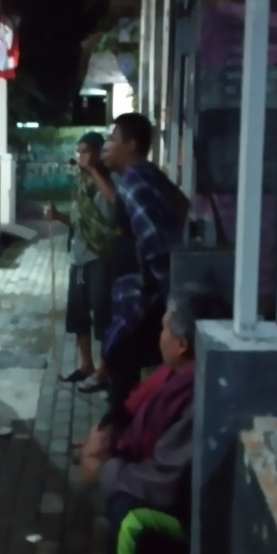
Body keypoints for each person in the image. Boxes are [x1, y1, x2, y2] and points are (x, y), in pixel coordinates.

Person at [80, 287, 229, 554]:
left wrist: (105, 469)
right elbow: (129, 409)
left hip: (205, 523)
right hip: (187, 498)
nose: (159, 337)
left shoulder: (197, 392)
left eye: (164, 328)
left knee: (132, 520)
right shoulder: (174, 375)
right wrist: (106, 435)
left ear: (182, 344)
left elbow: (162, 484)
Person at [101, 112, 190, 424]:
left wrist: (169, 297)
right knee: (130, 366)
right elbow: (183, 204)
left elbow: (155, 243)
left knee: (120, 361)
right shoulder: (150, 174)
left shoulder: (133, 181)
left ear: (131, 144)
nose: (106, 146)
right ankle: (118, 433)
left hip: (141, 297)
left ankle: (115, 438)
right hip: (148, 293)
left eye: (113, 139)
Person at [45, 131, 116, 392]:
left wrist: (94, 171)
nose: (81, 156)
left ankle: (104, 371)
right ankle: (86, 365)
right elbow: (78, 220)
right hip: (78, 256)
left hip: (101, 256)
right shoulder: (79, 183)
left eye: (86, 151)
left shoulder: (111, 178)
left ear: (98, 153)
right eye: (79, 151)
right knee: (78, 315)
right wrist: (58, 216)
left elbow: (115, 202)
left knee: (103, 315)